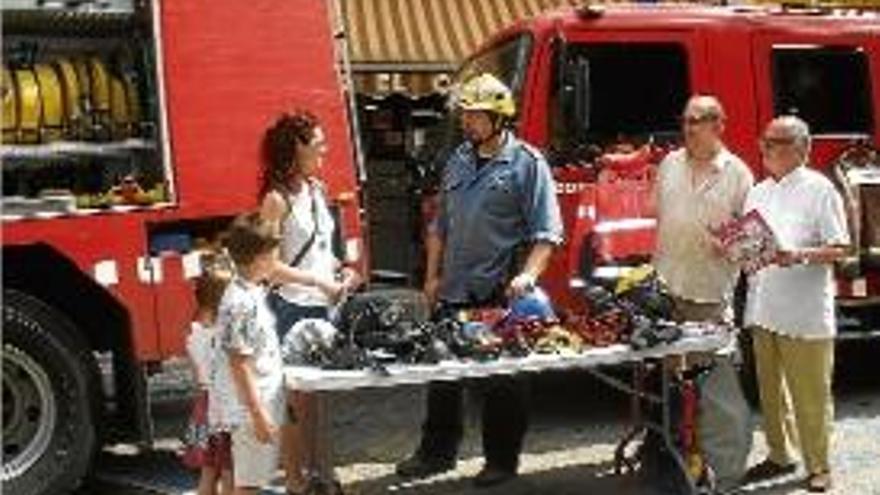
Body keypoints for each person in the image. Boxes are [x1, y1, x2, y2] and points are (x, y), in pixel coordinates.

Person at [395, 73, 564, 488]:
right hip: (453, 287)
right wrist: (432, 277)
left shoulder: (528, 163)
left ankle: (501, 461)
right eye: (465, 114)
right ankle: (437, 453)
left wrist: (529, 275)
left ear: (498, 118)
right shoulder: (458, 159)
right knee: (443, 372)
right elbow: (440, 226)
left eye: (475, 115)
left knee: (503, 380)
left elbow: (547, 233)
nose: (467, 122)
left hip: (499, 291)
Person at [742, 116, 849, 493]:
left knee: (811, 395)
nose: (768, 148)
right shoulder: (757, 191)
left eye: (779, 141)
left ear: (804, 148)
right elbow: (750, 247)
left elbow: (840, 248)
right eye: (766, 141)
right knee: (770, 392)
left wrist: (798, 255)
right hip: (763, 306)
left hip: (803, 311)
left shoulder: (820, 189)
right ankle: (779, 455)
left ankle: (819, 465)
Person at [652, 95, 754, 488]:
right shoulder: (669, 164)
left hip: (709, 295)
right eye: (686, 119)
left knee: (717, 391)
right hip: (664, 292)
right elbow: (660, 215)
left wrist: (726, 245)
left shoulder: (738, 173)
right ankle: (676, 462)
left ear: (719, 124)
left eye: (698, 120)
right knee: (669, 389)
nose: (689, 127)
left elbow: (755, 245)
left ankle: (726, 477)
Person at [258, 110, 360, 494]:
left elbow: (320, 249)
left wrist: (342, 271)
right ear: (293, 150)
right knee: (293, 403)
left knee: (317, 400)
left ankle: (322, 475)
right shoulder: (275, 200)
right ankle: (297, 482)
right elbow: (267, 265)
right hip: (288, 309)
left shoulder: (317, 190)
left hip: (322, 306)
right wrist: (317, 280)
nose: (324, 148)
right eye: (316, 143)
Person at [209, 212, 287, 495]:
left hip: (256, 403)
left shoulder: (250, 289)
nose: (277, 259)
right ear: (260, 258)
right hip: (252, 407)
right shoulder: (241, 303)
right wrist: (258, 415)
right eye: (274, 253)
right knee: (249, 486)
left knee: (242, 480)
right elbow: (238, 363)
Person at [182, 252, 234, 495]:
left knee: (208, 473)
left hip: (203, 409)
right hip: (225, 411)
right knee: (230, 471)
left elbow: (198, 378)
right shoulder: (223, 336)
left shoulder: (193, 333)